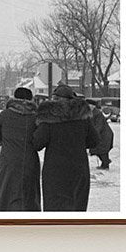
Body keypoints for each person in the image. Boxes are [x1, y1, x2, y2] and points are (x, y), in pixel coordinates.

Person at [32, 83, 99, 211]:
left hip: (55, 172)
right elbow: (94, 141)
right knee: (77, 208)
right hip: (79, 170)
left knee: (55, 209)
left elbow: (37, 143)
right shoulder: (83, 118)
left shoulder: (49, 118)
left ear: (54, 99)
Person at [0, 86, 41, 211]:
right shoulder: (35, 118)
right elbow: (39, 140)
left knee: (5, 189)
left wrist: (3, 142)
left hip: (8, 159)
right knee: (29, 192)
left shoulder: (5, 115)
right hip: (30, 161)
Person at [88, 102, 114, 170]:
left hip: (104, 135)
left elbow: (99, 126)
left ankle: (106, 164)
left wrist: (94, 134)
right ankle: (105, 163)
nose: (89, 106)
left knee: (102, 150)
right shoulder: (91, 113)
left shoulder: (97, 114)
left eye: (90, 105)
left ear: (93, 106)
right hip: (102, 134)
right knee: (98, 150)